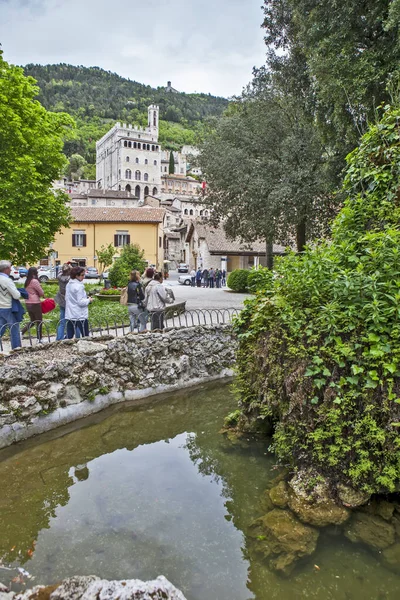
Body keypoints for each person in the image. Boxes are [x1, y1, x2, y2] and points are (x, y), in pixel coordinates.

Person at [65, 266, 93, 338]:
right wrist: (89, 300)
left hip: (70, 314)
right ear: (76, 275)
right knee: (85, 335)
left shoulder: (69, 284)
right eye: (82, 275)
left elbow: (67, 298)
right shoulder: (79, 286)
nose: (83, 277)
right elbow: (80, 302)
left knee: (69, 336)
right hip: (80, 315)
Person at [0, 260, 22, 349]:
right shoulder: (7, 281)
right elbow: (16, 295)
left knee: (1, 328)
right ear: (6, 269)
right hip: (8, 307)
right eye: (10, 268)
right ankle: (16, 349)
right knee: (14, 329)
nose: (10, 270)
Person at [21, 267, 44, 341]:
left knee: (33, 321)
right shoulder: (34, 281)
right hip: (35, 303)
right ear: (35, 272)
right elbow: (41, 292)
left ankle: (21, 332)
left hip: (28, 302)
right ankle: (39, 338)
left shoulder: (27, 281)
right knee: (39, 321)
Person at [55, 263, 71, 341]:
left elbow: (59, 272)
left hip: (61, 299)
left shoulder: (59, 277)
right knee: (71, 320)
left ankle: (59, 338)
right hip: (68, 300)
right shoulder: (70, 279)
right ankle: (69, 335)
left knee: (62, 321)